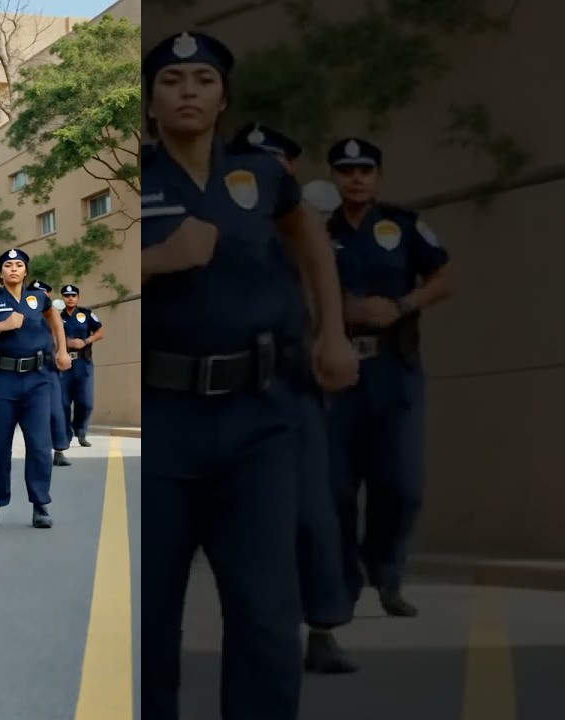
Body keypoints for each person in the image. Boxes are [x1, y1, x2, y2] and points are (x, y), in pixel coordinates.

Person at [139, 31, 358, 720]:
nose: (189, 92)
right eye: (172, 81)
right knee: (148, 623)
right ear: (150, 100)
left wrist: (332, 329)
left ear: (223, 95)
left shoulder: (260, 177)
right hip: (161, 422)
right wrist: (158, 258)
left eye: (203, 80)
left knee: (266, 616)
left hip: (255, 420)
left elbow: (308, 239)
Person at [231, 121, 357, 673]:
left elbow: (325, 297)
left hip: (293, 384)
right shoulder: (221, 223)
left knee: (313, 510)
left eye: (277, 164)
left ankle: (324, 627)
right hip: (228, 388)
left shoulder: (308, 231)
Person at [323, 136, 453, 619]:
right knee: (337, 486)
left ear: (378, 176)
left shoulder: (403, 225)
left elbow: (443, 279)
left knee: (400, 485)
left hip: (394, 369)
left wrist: (402, 306)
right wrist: (345, 309)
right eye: (345, 170)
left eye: (365, 170)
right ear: (334, 177)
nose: (356, 178)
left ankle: (388, 571)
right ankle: (344, 581)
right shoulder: (319, 230)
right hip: (338, 373)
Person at [0, 253, 71, 531]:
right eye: (7, 266)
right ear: (1, 273)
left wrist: (61, 350)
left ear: (25, 272)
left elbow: (55, 320)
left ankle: (40, 504)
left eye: (19, 265)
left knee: (39, 444)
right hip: (4, 380)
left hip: (38, 380)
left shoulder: (38, 299)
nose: (13, 269)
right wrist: (0, 326)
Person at [29, 279, 72, 466]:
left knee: (56, 410)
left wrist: (61, 352)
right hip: (27, 368)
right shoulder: (24, 312)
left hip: (48, 366)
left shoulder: (53, 315)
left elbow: (60, 335)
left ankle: (59, 449)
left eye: (44, 293)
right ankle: (38, 451)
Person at [58, 284, 104, 447]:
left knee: (85, 402)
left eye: (73, 295)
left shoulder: (86, 314)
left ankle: (81, 430)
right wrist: (66, 342)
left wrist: (85, 341)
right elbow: (51, 335)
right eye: (67, 295)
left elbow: (100, 332)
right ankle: (66, 434)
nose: (70, 298)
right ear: (62, 298)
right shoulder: (57, 316)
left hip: (83, 363)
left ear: (78, 297)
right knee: (63, 402)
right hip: (64, 364)